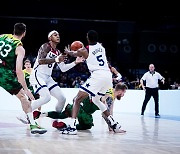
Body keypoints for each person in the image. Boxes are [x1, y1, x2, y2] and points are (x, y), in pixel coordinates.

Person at [63, 30, 126, 135]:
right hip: (107, 76)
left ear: (88, 38)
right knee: (96, 100)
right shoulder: (101, 47)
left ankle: (72, 127)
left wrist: (68, 51)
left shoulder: (85, 50)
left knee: (77, 99)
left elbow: (74, 54)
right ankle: (115, 124)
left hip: (97, 76)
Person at [21, 30, 84, 124]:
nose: (58, 36)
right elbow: (41, 60)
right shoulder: (45, 46)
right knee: (46, 97)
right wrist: (56, 59)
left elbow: (63, 69)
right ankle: (25, 115)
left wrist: (75, 62)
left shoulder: (58, 52)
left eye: (58, 34)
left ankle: (56, 120)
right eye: (55, 35)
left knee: (62, 98)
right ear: (50, 38)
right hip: (38, 75)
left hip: (48, 77)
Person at [0, 23, 47, 134]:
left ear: (14, 30)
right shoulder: (19, 47)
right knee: (23, 97)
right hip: (4, 74)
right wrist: (26, 89)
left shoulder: (2, 36)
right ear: (24, 33)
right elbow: (18, 70)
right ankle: (32, 125)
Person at [33, 83, 128, 131]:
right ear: (120, 91)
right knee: (87, 125)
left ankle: (41, 114)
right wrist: (111, 127)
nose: (124, 95)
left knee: (62, 115)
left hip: (76, 106)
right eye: (124, 93)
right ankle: (65, 126)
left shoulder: (108, 90)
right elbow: (107, 113)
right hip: (84, 112)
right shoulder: (110, 97)